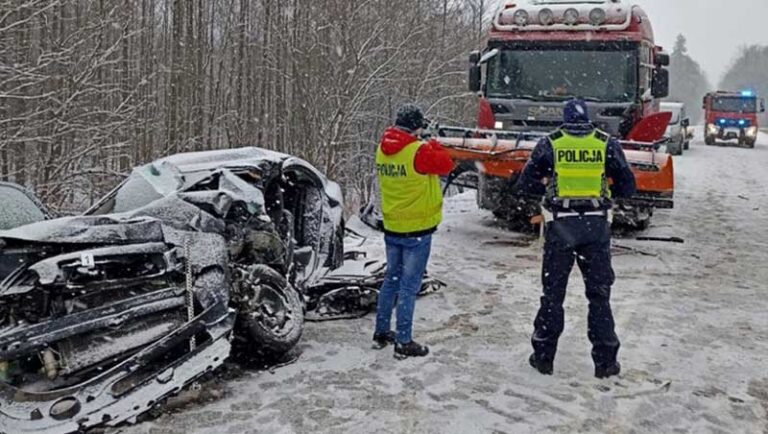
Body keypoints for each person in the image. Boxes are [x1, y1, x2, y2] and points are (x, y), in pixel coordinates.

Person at [516, 99, 636, 378]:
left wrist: (548, 181)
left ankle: (543, 357)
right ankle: (606, 363)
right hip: (596, 227)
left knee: (552, 295)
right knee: (599, 297)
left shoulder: (550, 143)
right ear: (587, 118)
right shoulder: (605, 143)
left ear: (564, 118)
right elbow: (628, 186)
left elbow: (527, 184)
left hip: (560, 226)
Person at [372, 104, 454, 359]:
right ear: (417, 127)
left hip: (393, 224)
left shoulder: (383, 149)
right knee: (409, 286)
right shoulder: (419, 151)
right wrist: (432, 142)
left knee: (391, 281)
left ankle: (382, 331)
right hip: (417, 228)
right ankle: (404, 340)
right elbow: (446, 165)